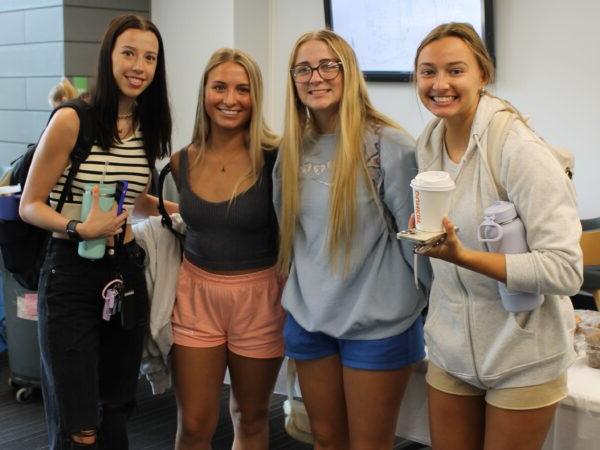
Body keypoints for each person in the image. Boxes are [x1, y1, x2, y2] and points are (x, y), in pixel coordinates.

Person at [412, 23, 582, 450]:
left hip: (522, 353)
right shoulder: (428, 143)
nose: (440, 84)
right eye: (427, 72)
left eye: (455, 70)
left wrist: (464, 257)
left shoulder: (518, 148)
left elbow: (565, 270)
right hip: (451, 349)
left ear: (482, 75)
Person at [19, 14, 175, 449]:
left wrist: (189, 212)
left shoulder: (151, 126)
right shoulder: (72, 119)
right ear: (109, 56)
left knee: (114, 409)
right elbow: (30, 204)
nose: (138, 66)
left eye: (149, 57)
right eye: (129, 53)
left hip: (123, 272)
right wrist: (78, 227)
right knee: (78, 422)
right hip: (70, 274)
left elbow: (134, 199)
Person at [274, 30, 426, 450]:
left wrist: (422, 308)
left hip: (377, 325)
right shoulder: (291, 151)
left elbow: (417, 243)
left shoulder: (389, 146)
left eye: (328, 65)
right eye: (303, 68)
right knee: (325, 439)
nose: (315, 77)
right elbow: (288, 238)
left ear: (348, 72)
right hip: (309, 322)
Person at [169, 48, 282, 450]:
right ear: (204, 93)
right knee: (196, 422)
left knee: (249, 418)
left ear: (256, 97)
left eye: (242, 89)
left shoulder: (275, 158)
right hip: (196, 296)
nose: (230, 99)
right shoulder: (181, 161)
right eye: (219, 87)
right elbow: (189, 213)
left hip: (260, 297)